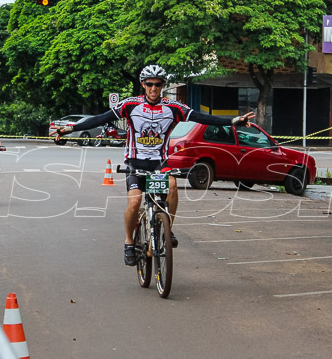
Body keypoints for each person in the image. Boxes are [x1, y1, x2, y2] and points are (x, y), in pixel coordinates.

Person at [56, 65, 255, 265]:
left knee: (173, 186)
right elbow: (101, 119)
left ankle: (168, 227)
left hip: (159, 164)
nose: (153, 88)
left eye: (158, 84)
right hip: (135, 163)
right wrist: (69, 129)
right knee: (134, 202)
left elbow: (203, 118)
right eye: (149, 84)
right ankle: (128, 241)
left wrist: (233, 120)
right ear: (143, 85)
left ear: (163, 85)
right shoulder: (130, 105)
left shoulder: (173, 108)